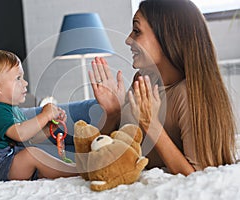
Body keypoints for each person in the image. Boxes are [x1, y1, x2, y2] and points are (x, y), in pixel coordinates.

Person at [88, 0, 236, 176]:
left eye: (137, 31)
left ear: (168, 37)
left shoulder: (187, 94)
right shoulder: (143, 80)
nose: (128, 40)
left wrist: (151, 125)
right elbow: (106, 154)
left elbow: (198, 177)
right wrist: (113, 113)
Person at [0, 49, 77, 184]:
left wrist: (51, 128)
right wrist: (45, 114)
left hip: (12, 160)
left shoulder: (13, 110)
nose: (25, 83)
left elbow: (30, 139)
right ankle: (76, 172)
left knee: (36, 153)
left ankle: (68, 170)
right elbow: (21, 134)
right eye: (18, 78)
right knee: (32, 154)